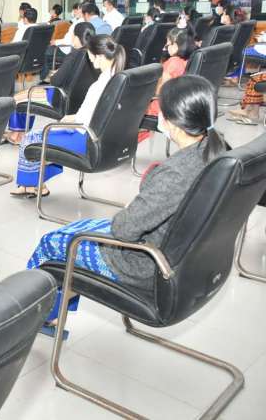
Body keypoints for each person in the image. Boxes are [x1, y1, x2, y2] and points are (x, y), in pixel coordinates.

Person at [27, 75, 225, 326]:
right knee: (77, 229)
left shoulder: (176, 174)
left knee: (50, 243)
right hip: (185, 261)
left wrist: (135, 204)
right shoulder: (217, 151)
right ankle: (56, 310)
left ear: (173, 122)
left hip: (140, 263)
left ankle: (32, 318)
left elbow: (123, 230)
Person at [11, 35, 125, 197]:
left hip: (83, 138)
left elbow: (85, 119)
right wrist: (72, 118)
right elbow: (93, 114)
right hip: (101, 138)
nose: (90, 60)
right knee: (47, 132)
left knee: (31, 138)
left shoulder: (101, 84)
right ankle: (32, 184)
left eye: (90, 56)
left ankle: (31, 184)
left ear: (99, 56)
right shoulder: (116, 78)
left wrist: (68, 121)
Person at [6, 23, 97, 145]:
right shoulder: (95, 56)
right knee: (26, 95)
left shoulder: (74, 55)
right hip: (77, 100)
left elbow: (55, 81)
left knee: (17, 98)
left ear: (76, 37)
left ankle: (16, 135)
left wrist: (54, 74)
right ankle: (20, 133)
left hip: (59, 97)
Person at [139, 28, 192, 142]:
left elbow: (159, 91)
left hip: (162, 106)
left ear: (176, 46)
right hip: (178, 104)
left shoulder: (172, 64)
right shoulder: (188, 61)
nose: (165, 47)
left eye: (168, 44)